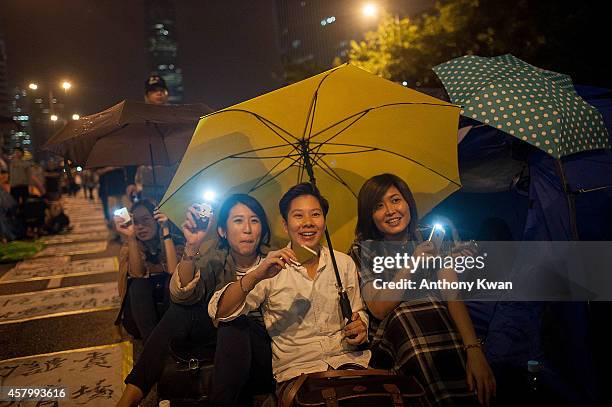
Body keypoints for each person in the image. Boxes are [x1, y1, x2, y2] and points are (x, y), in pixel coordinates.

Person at [210, 183, 369, 401]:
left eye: (315, 214)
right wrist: (257, 275)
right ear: (285, 225)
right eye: (298, 216)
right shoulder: (271, 268)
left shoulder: (344, 263)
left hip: (351, 366)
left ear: (324, 222)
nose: (308, 223)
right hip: (299, 375)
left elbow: (359, 311)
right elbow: (220, 312)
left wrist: (362, 326)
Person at [349, 173, 496, 407]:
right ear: (370, 215)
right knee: (407, 319)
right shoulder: (363, 249)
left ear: (407, 201)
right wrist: (412, 264)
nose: (390, 210)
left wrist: (474, 349)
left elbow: (452, 294)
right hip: (398, 337)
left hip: (441, 326)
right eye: (379, 205)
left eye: (395, 200)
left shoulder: (429, 237)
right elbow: (378, 308)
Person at [117, 194, 273, 407]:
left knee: (234, 320)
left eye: (254, 220)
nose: (247, 228)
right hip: (219, 343)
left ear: (262, 229)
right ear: (222, 231)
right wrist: (191, 246)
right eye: (238, 220)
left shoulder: (273, 263)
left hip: (258, 350)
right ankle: (129, 398)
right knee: (182, 309)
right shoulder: (215, 259)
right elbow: (181, 294)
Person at [115, 199, 182, 342]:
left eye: (146, 220)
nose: (140, 226)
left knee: (172, 281)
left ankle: (173, 339)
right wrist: (131, 238)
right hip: (139, 317)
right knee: (138, 284)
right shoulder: (129, 247)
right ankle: (153, 344)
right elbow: (137, 273)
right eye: (136, 222)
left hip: (168, 311)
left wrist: (165, 230)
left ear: (156, 219)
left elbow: (173, 270)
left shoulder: (174, 240)